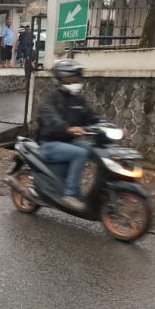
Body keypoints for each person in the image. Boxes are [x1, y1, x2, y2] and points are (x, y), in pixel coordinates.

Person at [36, 59, 99, 211]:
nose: (75, 80)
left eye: (77, 76)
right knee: (80, 153)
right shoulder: (51, 99)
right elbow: (51, 119)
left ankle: (100, 190)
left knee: (95, 150)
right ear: (62, 78)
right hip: (49, 144)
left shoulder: (78, 100)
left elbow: (91, 118)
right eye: (71, 77)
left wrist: (109, 127)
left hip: (68, 143)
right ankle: (71, 194)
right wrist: (68, 129)